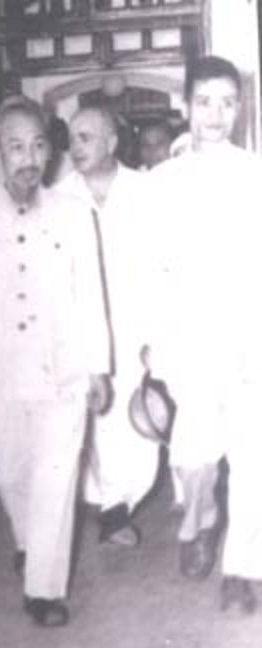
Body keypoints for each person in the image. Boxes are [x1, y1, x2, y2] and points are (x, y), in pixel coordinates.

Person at [0, 95, 112, 629]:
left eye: (38, 145)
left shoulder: (74, 214)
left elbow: (91, 294)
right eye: (15, 146)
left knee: (56, 478)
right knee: (10, 471)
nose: (28, 158)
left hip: (62, 371)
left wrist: (98, 365)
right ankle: (28, 541)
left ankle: (45, 588)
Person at [144, 55, 262, 611]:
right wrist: (152, 341)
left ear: (241, 108)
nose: (215, 115)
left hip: (248, 337)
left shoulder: (255, 175)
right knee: (194, 457)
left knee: (253, 456)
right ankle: (202, 516)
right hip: (188, 340)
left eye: (227, 103)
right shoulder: (161, 183)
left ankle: (244, 569)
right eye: (204, 102)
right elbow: (148, 269)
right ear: (185, 105)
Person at [57, 105, 160, 548]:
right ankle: (109, 505)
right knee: (94, 417)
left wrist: (160, 332)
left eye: (86, 137)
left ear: (112, 143)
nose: (75, 147)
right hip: (82, 322)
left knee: (136, 419)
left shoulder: (146, 191)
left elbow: (165, 264)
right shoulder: (58, 196)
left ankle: (121, 498)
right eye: (71, 138)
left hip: (136, 323)